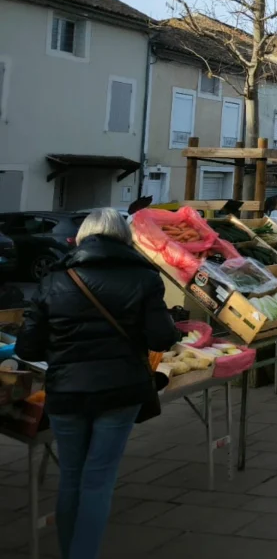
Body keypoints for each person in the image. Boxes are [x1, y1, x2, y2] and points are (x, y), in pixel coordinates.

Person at [16, 208, 179, 559]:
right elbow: (162, 338)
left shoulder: (54, 279)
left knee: (71, 476)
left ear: (83, 237)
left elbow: (26, 346)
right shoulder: (144, 278)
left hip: (66, 392)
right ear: (124, 237)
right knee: (98, 480)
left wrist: (64, 347)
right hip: (121, 392)